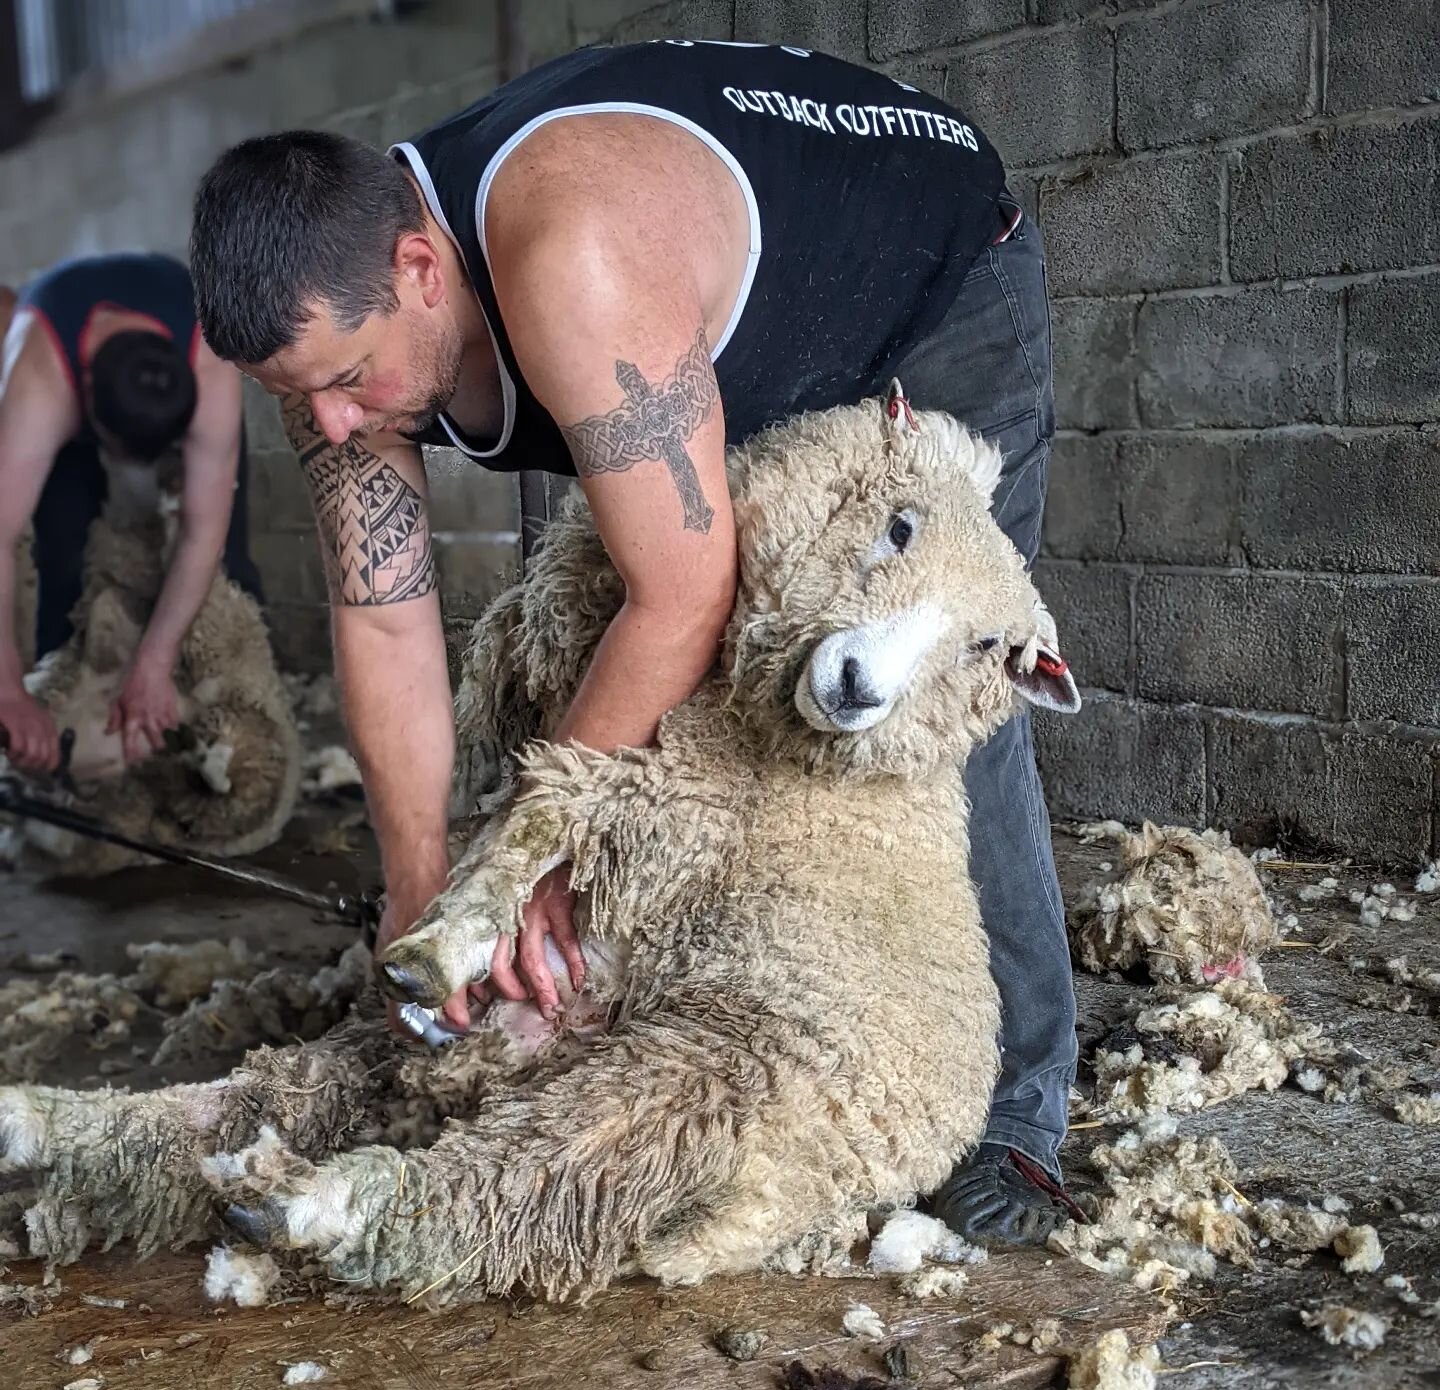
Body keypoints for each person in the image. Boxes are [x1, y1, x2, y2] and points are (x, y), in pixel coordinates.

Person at [187, 39, 1079, 1243]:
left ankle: (1022, 1114)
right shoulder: (343, 332)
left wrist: (525, 866)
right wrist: (423, 904)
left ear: (416, 266)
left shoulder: (574, 264)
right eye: (302, 398)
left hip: (931, 289)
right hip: (724, 341)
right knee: (687, 701)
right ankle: (662, 1013)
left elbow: (681, 596)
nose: (335, 424)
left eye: (348, 381)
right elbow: (384, 615)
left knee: (918, 707)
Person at [0, 252, 262, 773]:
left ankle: (244, 703)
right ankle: (61, 695)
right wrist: (6, 693)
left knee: (228, 549)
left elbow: (200, 530)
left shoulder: (210, 358)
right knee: (62, 550)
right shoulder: (38, 377)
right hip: (63, 369)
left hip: (170, 377)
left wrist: (154, 662)